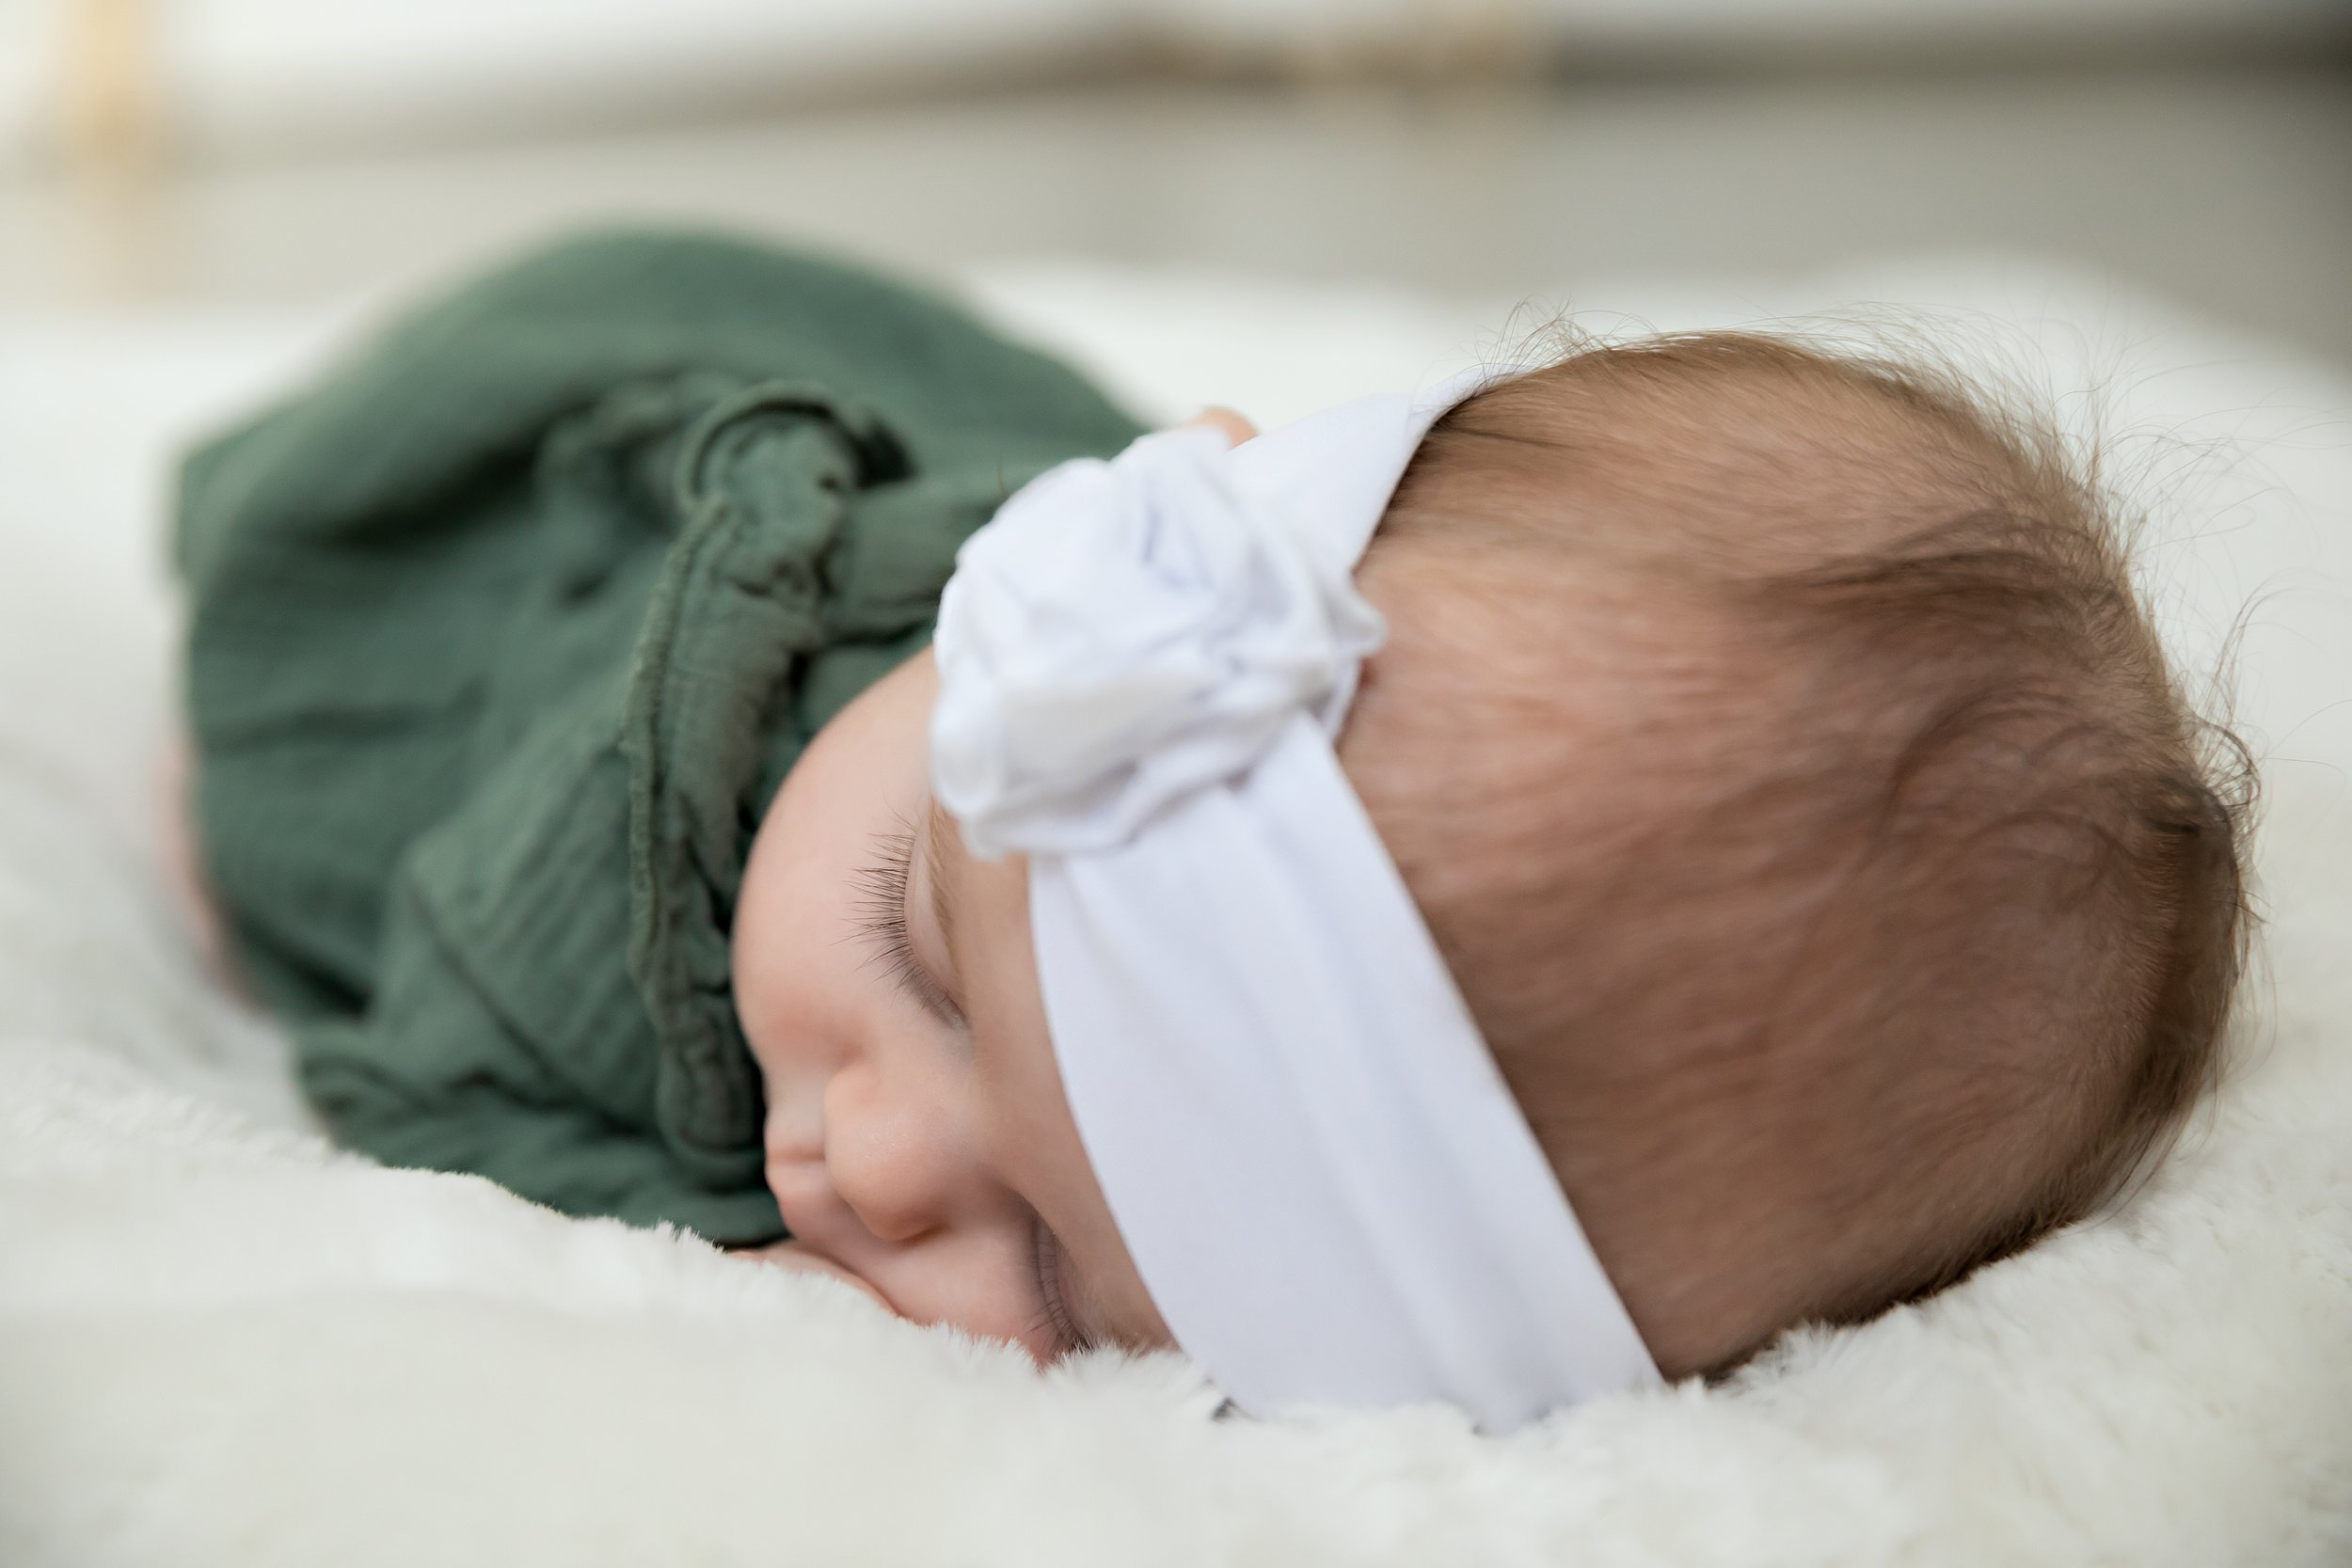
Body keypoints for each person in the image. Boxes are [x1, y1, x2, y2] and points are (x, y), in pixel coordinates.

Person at [172, 230, 2249, 1429]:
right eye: (911, 939)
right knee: (278, 792)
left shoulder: (972, 862)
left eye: (1063, 1282)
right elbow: (407, 1066)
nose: (866, 1158)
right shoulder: (649, 820)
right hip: (511, 481)